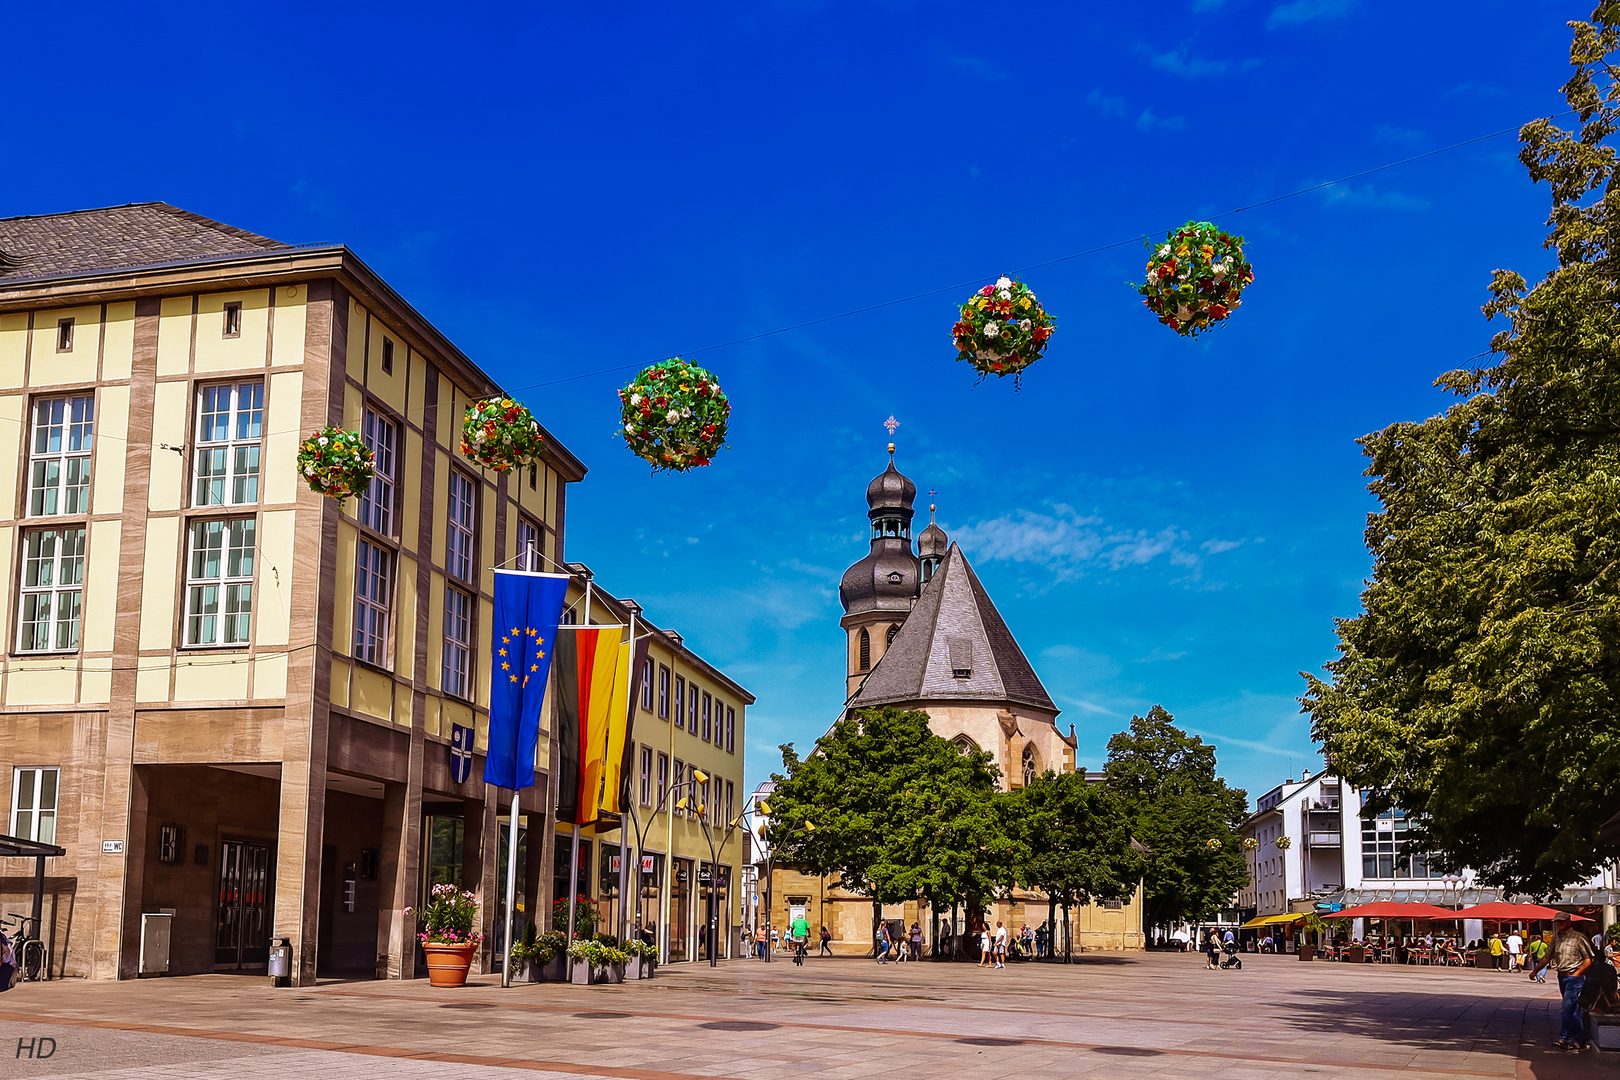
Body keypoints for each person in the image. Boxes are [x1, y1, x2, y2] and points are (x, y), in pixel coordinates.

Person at [1551, 911, 1594, 1051]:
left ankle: (1564, 1038)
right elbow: (1547, 956)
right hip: (1562, 976)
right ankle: (1581, 1039)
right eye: (1557, 922)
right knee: (1572, 1009)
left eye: (1562, 921)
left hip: (1574, 978)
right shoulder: (1557, 938)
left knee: (1566, 1008)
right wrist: (1535, 971)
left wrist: (1576, 974)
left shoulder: (1578, 938)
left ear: (1569, 922)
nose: (1559, 924)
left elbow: (1589, 959)